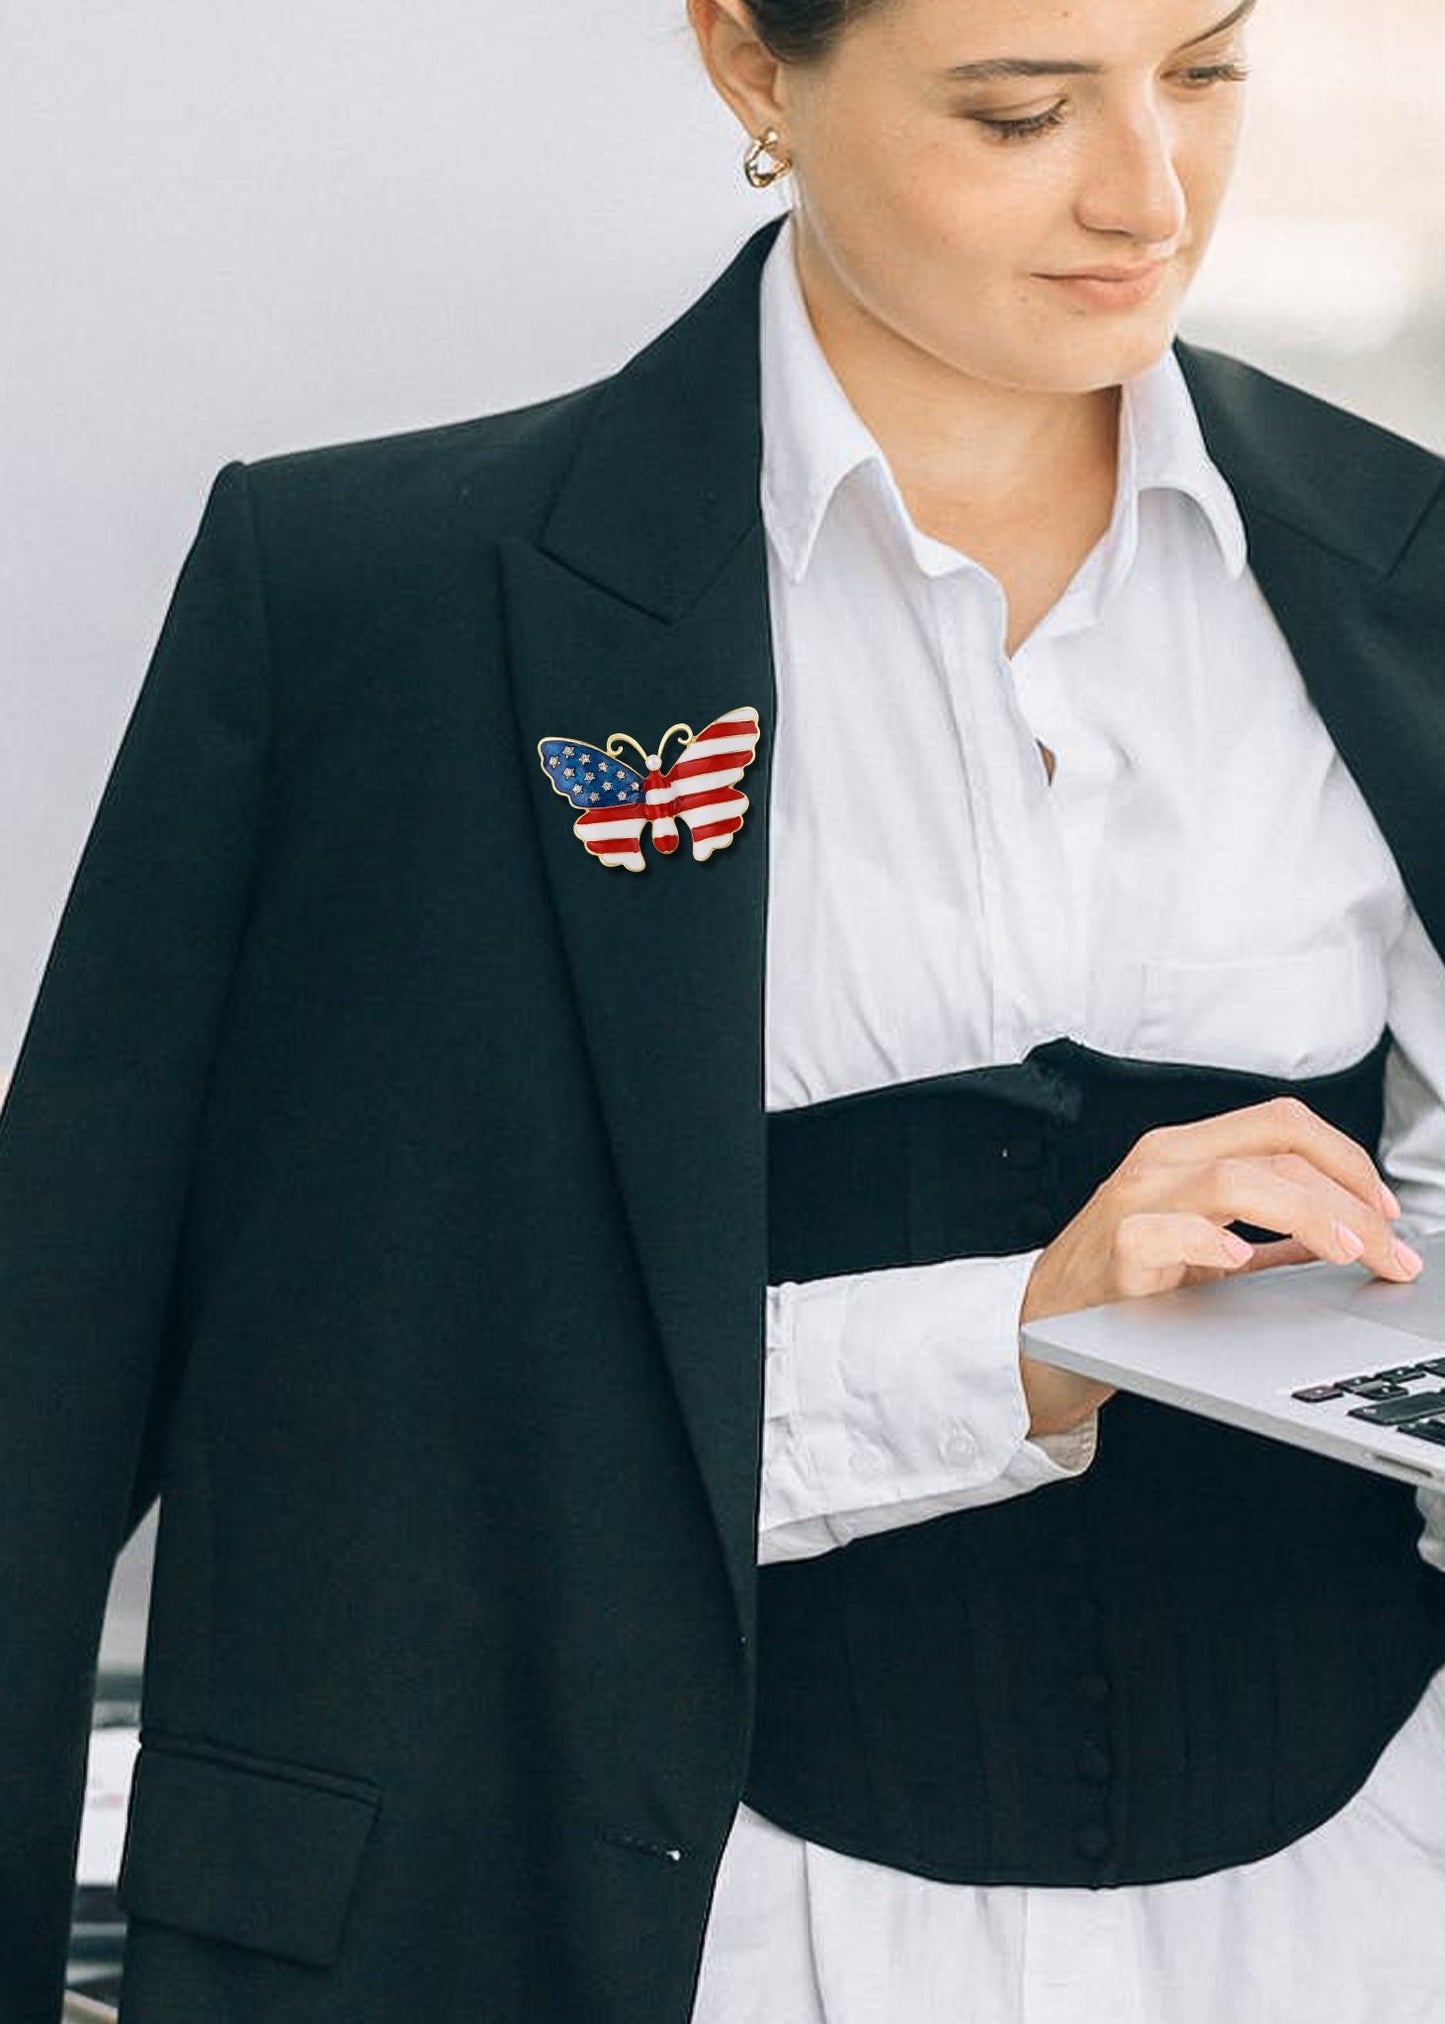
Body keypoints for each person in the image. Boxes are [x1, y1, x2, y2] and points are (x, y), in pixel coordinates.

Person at [2, 0, 1445, 2018]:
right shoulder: (365, 611)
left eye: (1203, 69)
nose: (1150, 190)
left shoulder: (1416, 570)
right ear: (753, 65)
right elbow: (99, 1394)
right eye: (1021, 108)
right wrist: (1015, 1335)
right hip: (638, 1933)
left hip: (1364, 1920)